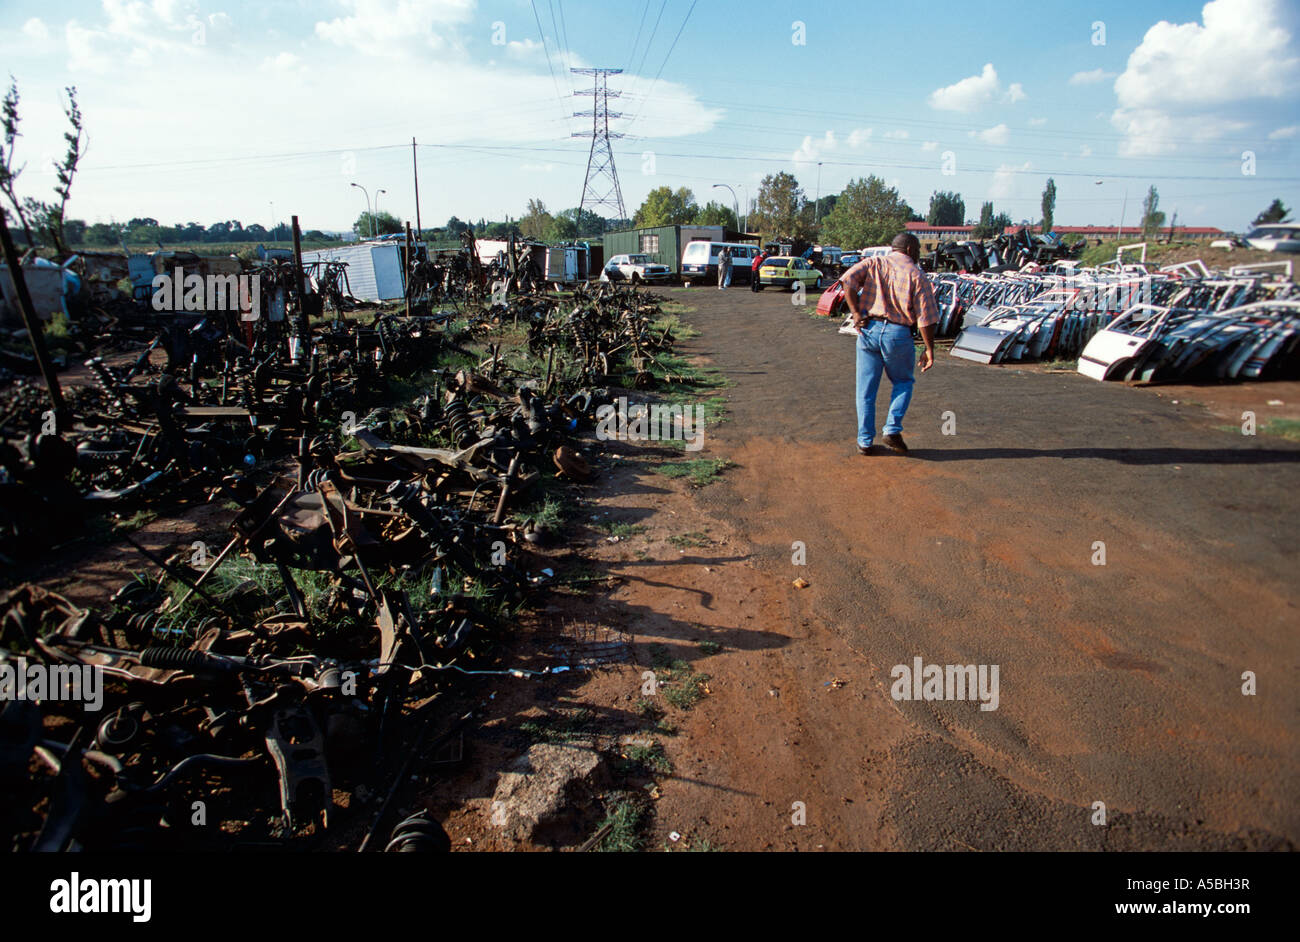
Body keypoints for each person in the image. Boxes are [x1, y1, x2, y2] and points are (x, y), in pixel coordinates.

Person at [840, 231, 938, 455]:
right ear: (911, 250)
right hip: (898, 334)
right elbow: (926, 318)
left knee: (865, 390)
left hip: (868, 331)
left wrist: (855, 312)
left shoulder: (873, 263)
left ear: (893, 248)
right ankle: (892, 428)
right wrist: (929, 349)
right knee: (903, 382)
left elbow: (847, 280)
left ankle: (864, 441)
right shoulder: (917, 275)